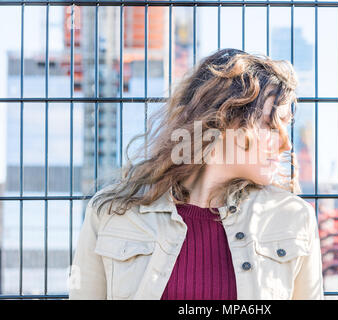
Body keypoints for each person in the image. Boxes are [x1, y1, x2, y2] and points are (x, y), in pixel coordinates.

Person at [68, 48, 324, 300]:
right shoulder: (111, 213)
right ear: (223, 121)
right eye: (270, 125)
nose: (286, 144)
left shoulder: (294, 218)